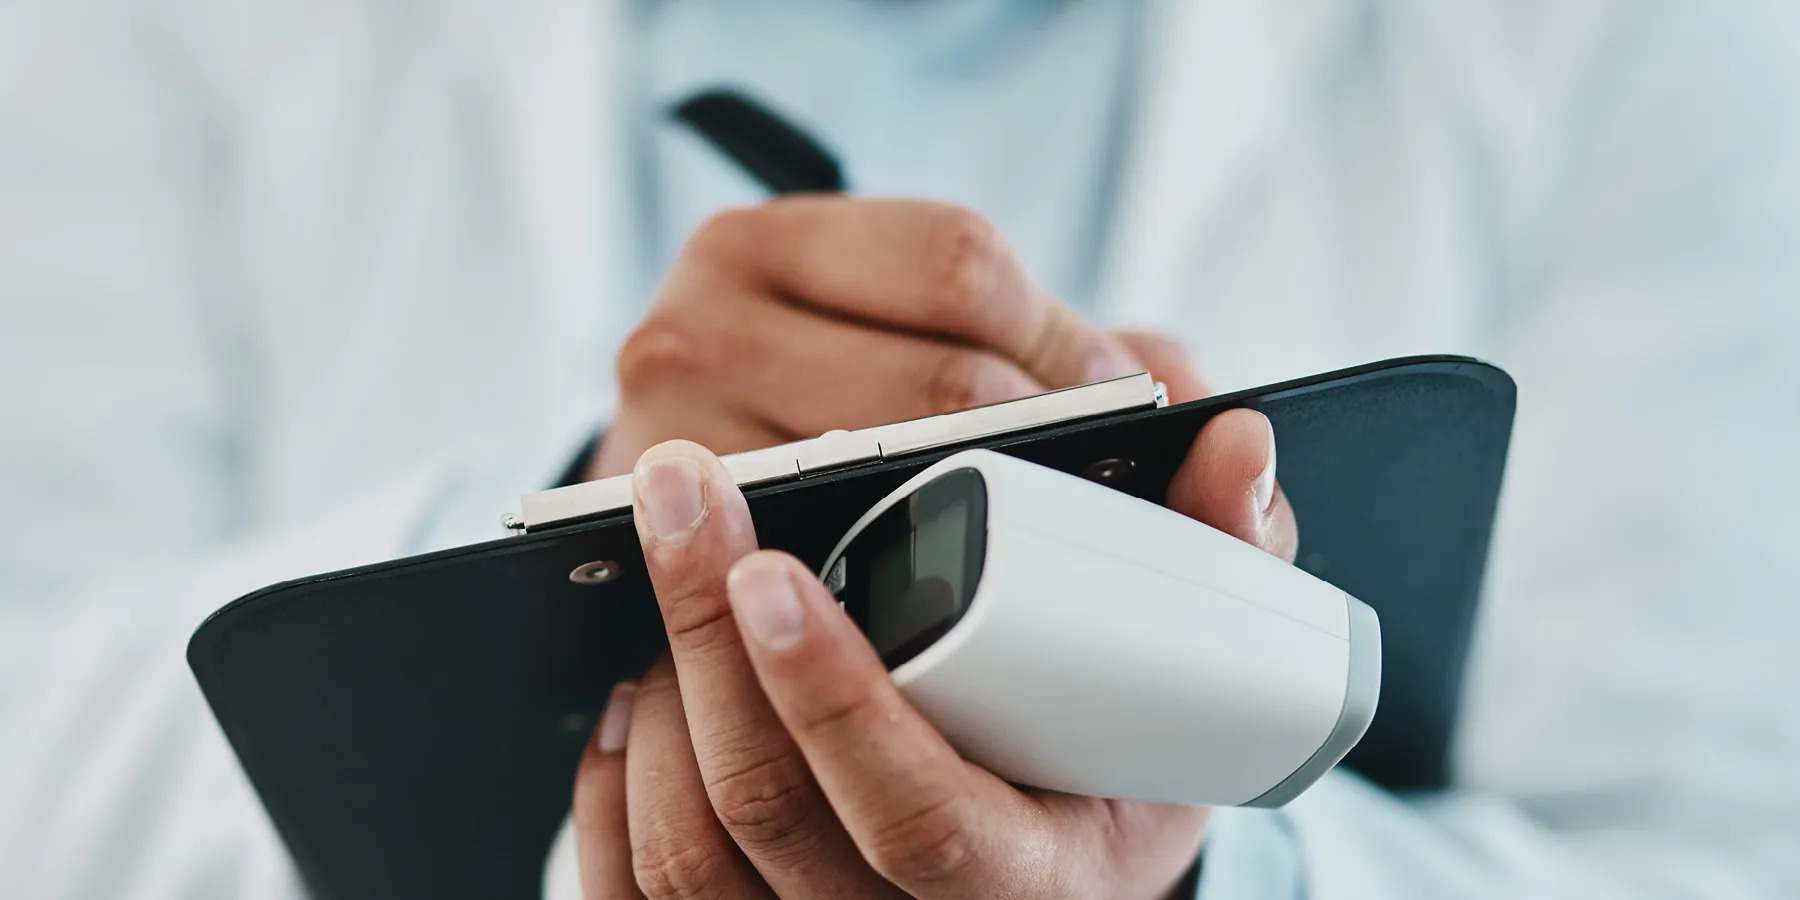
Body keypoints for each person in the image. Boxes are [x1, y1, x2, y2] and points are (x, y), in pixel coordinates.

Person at [2, 0, 1797, 897]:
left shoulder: (1647, 49)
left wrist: (1202, 873)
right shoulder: (152, 43)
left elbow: (1716, 853)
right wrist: (581, 545)